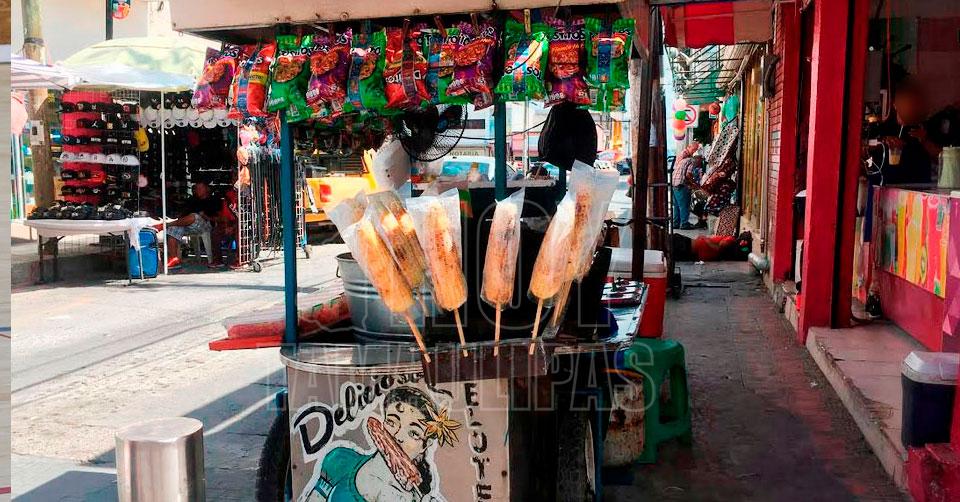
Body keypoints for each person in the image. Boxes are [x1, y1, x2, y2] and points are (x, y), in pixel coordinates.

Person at [304, 386, 460, 501]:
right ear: (382, 423)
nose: (398, 436)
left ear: (425, 445)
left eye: (413, 433)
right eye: (392, 422)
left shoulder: (416, 499)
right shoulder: (340, 460)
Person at [875, 79, 942, 185]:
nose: (911, 108)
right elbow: (871, 161)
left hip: (920, 187)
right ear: (895, 104)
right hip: (889, 187)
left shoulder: (928, 128)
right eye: (907, 103)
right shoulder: (883, 130)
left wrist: (925, 141)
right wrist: (886, 145)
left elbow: (945, 159)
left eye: (915, 104)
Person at [156, 181, 226, 269]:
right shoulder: (192, 200)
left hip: (206, 225)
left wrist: (206, 217)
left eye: (200, 188)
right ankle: (174, 259)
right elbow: (183, 215)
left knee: (194, 216)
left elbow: (220, 218)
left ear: (207, 189)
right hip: (189, 225)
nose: (198, 190)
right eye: (196, 188)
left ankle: (165, 225)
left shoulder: (214, 200)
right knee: (172, 228)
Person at [672, 142, 701, 230]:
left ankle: (676, 223)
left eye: (695, 150)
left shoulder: (683, 158)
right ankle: (684, 224)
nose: (694, 151)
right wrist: (693, 184)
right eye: (694, 149)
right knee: (684, 205)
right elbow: (688, 175)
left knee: (677, 205)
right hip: (681, 184)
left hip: (674, 183)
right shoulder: (691, 160)